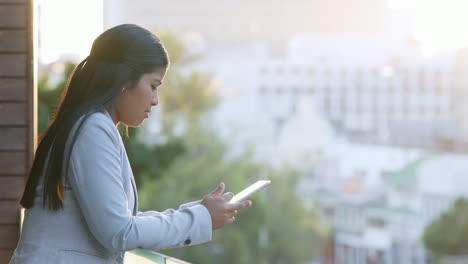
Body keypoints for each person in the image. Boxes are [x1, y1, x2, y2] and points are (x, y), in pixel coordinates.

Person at [9, 24, 252, 264]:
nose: (155, 100)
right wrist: (200, 218)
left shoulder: (88, 124)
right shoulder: (92, 128)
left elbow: (121, 222)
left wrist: (198, 213)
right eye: (153, 86)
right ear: (125, 80)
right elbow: (119, 232)